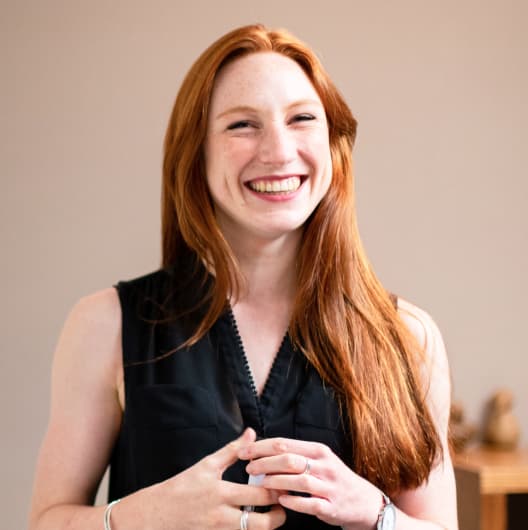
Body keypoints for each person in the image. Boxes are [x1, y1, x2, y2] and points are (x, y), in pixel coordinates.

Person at [28, 24, 457, 530]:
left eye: (301, 119)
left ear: (333, 144)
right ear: (196, 154)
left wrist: (377, 514)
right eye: (242, 125)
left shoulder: (408, 338)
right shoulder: (106, 326)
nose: (278, 151)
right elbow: (45, 521)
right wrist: (143, 516)